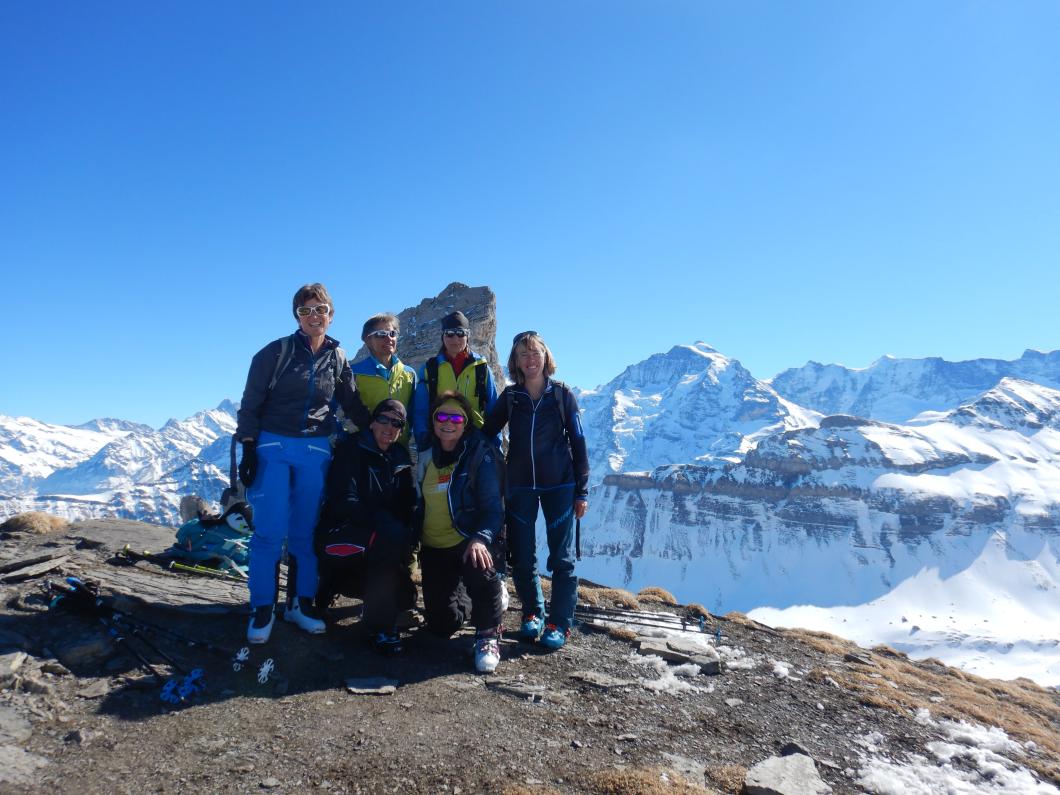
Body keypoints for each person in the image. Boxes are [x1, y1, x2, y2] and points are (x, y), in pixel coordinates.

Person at [235, 283, 371, 644]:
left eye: (320, 309)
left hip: (314, 450)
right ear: (297, 316)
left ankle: (300, 603)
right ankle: (262, 606)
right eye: (305, 310)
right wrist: (248, 446)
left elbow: (351, 402)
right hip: (273, 447)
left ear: (331, 315)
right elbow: (250, 402)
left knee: (305, 532)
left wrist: (377, 432)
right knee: (269, 530)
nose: (314, 316)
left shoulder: (337, 357)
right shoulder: (274, 353)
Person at [482, 331, 589, 651]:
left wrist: (582, 491)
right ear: (515, 361)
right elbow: (486, 432)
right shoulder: (511, 397)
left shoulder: (562, 395)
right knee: (523, 556)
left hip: (560, 485)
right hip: (520, 486)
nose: (530, 360)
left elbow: (579, 443)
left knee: (562, 558)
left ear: (545, 357)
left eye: (535, 353)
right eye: (523, 354)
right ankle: (532, 614)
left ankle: (559, 623)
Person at [314, 399, 416, 654]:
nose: (388, 427)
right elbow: (343, 500)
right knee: (386, 539)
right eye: (383, 419)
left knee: (406, 597)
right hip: (341, 533)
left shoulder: (400, 458)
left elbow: (408, 503)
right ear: (372, 422)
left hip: (381, 538)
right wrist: (383, 524)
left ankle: (345, 583)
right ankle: (380, 628)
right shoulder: (352, 449)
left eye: (396, 423)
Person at [416, 391, 505, 673]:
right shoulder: (424, 456)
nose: (448, 423)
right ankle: (470, 595)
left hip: (466, 541)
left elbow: (493, 508)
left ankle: (488, 633)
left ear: (465, 424)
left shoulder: (478, 455)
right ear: (433, 421)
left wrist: (480, 539)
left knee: (479, 567)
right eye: (442, 416)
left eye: (456, 418)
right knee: (443, 625)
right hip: (434, 547)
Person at [412, 311, 499, 451]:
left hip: (475, 444)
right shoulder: (430, 369)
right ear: (443, 336)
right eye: (450, 333)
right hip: (439, 442)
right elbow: (421, 411)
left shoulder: (482, 369)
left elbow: (494, 411)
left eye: (460, 333)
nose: (455, 338)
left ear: (467, 336)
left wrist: (495, 447)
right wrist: (424, 444)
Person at [349, 313, 417, 450]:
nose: (389, 338)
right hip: (363, 449)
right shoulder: (353, 373)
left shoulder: (409, 374)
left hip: (399, 449)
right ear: (368, 340)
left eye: (392, 333)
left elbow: (415, 413)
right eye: (381, 334)